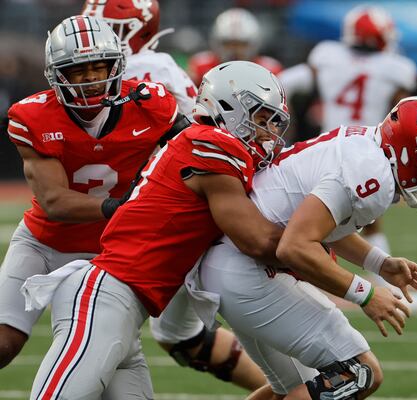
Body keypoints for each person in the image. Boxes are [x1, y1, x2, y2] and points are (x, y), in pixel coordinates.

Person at [23, 60, 290, 399]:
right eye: (261, 119)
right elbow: (255, 240)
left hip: (126, 309)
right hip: (106, 299)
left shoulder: (205, 142)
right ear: (230, 108)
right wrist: (315, 252)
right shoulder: (214, 146)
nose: (267, 131)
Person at [197, 96, 417, 399]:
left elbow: (319, 224)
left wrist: (378, 263)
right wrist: (365, 294)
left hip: (229, 264)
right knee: (359, 372)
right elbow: (295, 246)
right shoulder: (372, 174)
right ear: (412, 153)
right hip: (247, 270)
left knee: (291, 390)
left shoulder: (368, 147)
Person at [83, 0, 267, 389]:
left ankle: (303, 384)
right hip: (147, 204)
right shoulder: (137, 69)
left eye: (105, 31)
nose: (91, 42)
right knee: (174, 334)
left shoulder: (148, 72)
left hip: (171, 207)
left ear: (137, 32)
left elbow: (199, 135)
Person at [0, 15, 188, 370]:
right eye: (78, 72)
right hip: (46, 243)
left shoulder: (151, 105)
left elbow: (192, 155)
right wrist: (131, 206)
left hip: (113, 253)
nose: (90, 79)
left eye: (99, 68)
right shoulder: (33, 116)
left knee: (102, 355)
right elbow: (55, 202)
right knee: (4, 343)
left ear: (116, 66)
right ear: (57, 75)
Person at [280, 5, 417, 260]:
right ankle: (386, 283)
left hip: (326, 144)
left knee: (311, 213)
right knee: (364, 219)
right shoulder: (397, 67)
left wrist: (283, 125)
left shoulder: (327, 55)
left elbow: (284, 82)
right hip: (367, 148)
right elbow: (404, 115)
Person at [187, 8, 283, 88]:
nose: (235, 50)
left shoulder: (270, 70)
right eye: (229, 44)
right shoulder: (201, 65)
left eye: (241, 44)